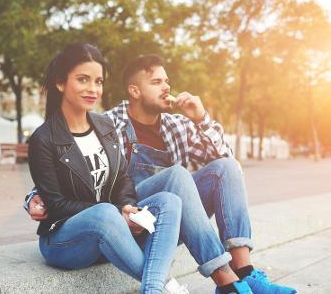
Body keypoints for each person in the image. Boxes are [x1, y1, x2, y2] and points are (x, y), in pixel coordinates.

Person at [26, 54, 297, 293]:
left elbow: (230, 168)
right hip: (127, 221)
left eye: (167, 81)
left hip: (166, 220)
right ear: (134, 90)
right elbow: (71, 173)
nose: (167, 87)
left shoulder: (178, 125)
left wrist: (201, 119)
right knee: (177, 175)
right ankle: (223, 280)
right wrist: (33, 198)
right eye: (156, 82)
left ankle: (245, 273)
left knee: (224, 169)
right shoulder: (109, 123)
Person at [28, 43, 186, 294]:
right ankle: (163, 287)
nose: (93, 89)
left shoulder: (105, 125)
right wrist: (114, 212)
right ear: (61, 83)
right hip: (63, 241)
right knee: (104, 213)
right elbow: (56, 205)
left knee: (169, 201)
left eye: (98, 81)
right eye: (83, 80)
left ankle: (153, 289)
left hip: (109, 233)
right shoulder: (43, 139)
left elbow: (122, 178)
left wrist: (125, 205)